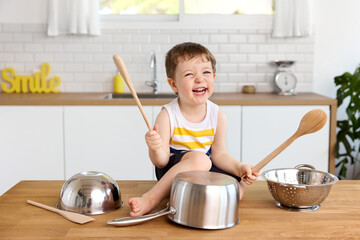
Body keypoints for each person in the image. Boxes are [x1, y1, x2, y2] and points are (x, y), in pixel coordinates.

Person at [128, 42, 260, 217]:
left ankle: (196, 200)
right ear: (174, 85)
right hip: (173, 170)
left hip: (202, 167)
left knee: (236, 188)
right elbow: (160, 161)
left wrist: (239, 168)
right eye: (189, 74)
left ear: (213, 76)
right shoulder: (167, 115)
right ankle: (151, 198)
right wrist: (154, 148)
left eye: (206, 72)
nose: (199, 79)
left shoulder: (217, 115)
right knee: (201, 160)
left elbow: (219, 155)